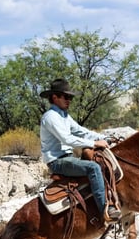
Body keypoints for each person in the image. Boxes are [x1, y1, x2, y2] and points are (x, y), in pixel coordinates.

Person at [39, 78, 121, 223]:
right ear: (54, 97)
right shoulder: (50, 117)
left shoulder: (64, 116)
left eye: (70, 97)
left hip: (69, 157)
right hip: (58, 161)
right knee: (94, 168)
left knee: (99, 160)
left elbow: (81, 131)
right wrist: (95, 143)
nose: (69, 100)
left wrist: (105, 138)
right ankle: (105, 210)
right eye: (66, 96)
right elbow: (67, 139)